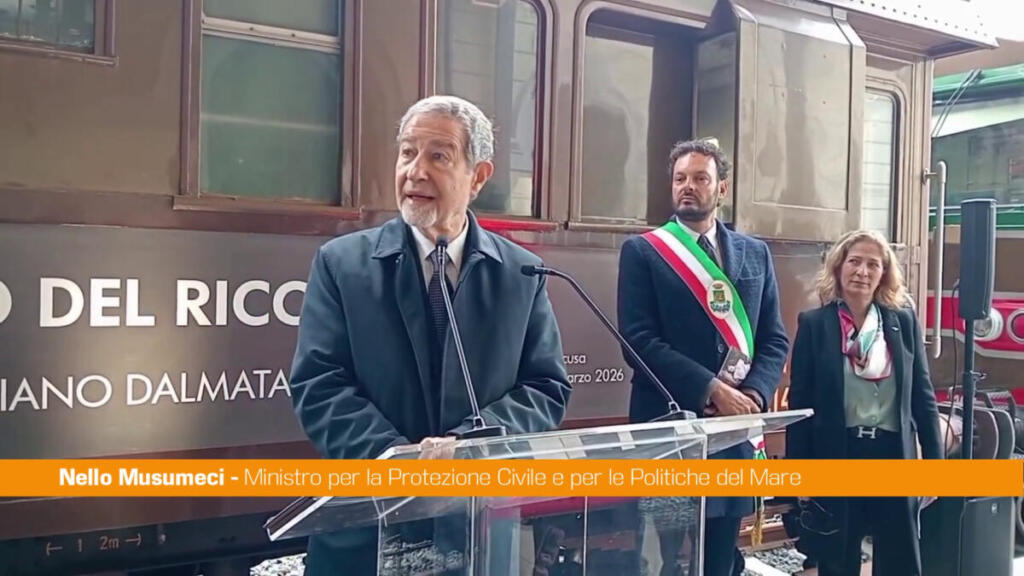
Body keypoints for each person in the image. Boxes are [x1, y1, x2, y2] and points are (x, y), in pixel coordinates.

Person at [289, 95, 572, 575]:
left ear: (478, 176)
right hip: (367, 525)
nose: (415, 172)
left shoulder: (521, 273)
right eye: (407, 152)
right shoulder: (342, 264)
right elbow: (319, 384)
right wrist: (398, 462)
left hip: (477, 528)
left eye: (438, 156)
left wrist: (471, 448)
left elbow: (546, 387)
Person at [617, 139, 790, 576]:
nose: (688, 187)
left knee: (720, 559)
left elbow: (774, 339)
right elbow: (637, 341)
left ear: (721, 188)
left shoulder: (755, 253)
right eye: (680, 179)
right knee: (668, 561)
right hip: (669, 429)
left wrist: (752, 396)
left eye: (699, 178)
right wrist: (710, 389)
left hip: (732, 435)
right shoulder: (644, 251)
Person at [786, 229, 943, 576]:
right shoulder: (815, 325)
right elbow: (800, 407)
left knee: (900, 563)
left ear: (883, 274)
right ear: (839, 267)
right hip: (838, 454)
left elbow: (923, 396)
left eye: (873, 264)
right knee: (838, 561)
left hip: (893, 456)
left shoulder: (902, 322)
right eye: (854, 261)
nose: (862, 271)